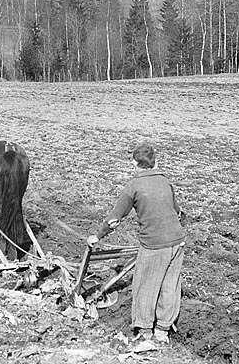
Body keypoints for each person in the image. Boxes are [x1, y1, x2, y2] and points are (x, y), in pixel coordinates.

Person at [87, 142, 185, 344]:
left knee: (145, 284)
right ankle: (163, 331)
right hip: (177, 241)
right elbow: (178, 211)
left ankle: (146, 331)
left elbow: (114, 219)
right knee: (170, 286)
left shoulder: (133, 186)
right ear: (154, 161)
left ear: (134, 163)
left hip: (154, 244)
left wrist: (98, 236)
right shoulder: (165, 181)